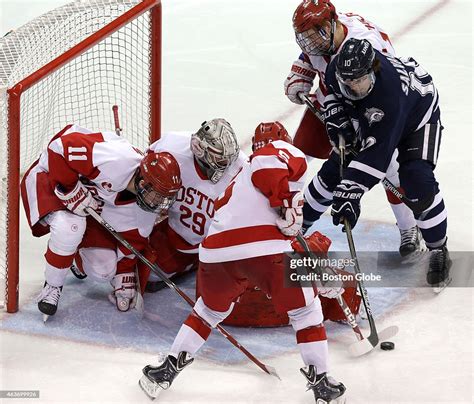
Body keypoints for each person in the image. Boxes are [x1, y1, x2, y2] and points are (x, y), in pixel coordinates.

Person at [139, 123, 346, 403]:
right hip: (261, 249)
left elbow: (282, 231)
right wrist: (285, 203)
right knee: (306, 312)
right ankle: (322, 385)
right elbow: (267, 167)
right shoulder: (282, 153)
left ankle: (165, 371)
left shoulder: (239, 180)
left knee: (206, 313)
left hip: (214, 253)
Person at [284, 0, 422, 257]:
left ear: (331, 25)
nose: (309, 44)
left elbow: (383, 90)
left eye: (313, 37)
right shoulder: (324, 33)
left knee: (388, 165)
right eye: (305, 38)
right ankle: (286, 217)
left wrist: (361, 130)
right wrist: (301, 75)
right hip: (331, 102)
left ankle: (409, 227)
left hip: (368, 110)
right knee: (295, 156)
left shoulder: (365, 45)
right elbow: (310, 54)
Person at [323, 38, 451, 288]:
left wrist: (351, 190)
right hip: (381, 115)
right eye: (348, 81)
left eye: (360, 80)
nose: (354, 87)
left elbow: (378, 156)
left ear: (373, 70)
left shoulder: (389, 93)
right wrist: (334, 109)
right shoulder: (337, 69)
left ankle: (438, 249)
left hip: (418, 115)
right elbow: (333, 91)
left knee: (418, 183)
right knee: (340, 166)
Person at [20, 124, 182, 319]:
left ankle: (73, 258)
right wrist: (71, 190)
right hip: (52, 173)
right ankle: (52, 286)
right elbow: (58, 148)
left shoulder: (143, 209)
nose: (159, 203)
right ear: (142, 184)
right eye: (157, 195)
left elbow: (132, 243)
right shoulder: (115, 160)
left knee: (103, 271)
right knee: (70, 227)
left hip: (91, 202)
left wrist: (124, 277)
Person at [141, 118, 246, 291]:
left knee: (225, 293)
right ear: (199, 149)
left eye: (228, 161)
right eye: (219, 162)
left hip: (222, 248)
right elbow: (144, 178)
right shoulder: (171, 148)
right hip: (178, 236)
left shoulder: (243, 170)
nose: (226, 167)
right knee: (147, 273)